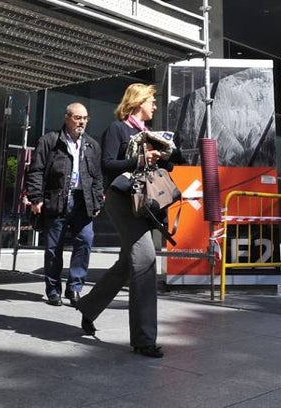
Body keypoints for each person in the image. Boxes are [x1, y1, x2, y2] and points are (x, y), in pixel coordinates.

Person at [73, 82, 182, 358]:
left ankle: (88, 307)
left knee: (127, 265)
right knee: (145, 260)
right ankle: (144, 339)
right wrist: (140, 159)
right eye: (151, 101)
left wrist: (165, 155)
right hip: (122, 201)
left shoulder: (150, 134)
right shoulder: (118, 129)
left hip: (145, 204)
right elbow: (107, 165)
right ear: (137, 102)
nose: (155, 106)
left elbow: (166, 166)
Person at [25, 102, 104, 305]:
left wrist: (96, 202)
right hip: (57, 199)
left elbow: (97, 177)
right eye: (78, 118)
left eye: (85, 118)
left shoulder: (92, 145)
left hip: (83, 202)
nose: (82, 122)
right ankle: (53, 290)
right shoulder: (50, 141)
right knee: (53, 248)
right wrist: (36, 198)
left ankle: (75, 288)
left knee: (85, 241)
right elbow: (36, 170)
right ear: (67, 117)